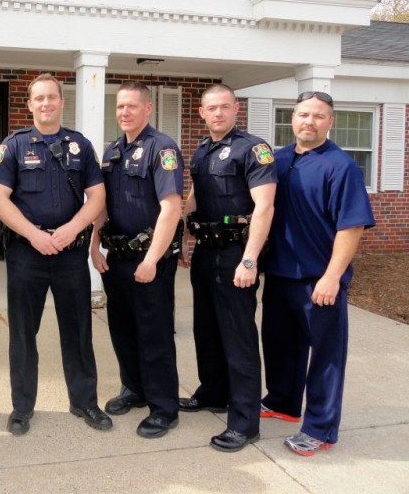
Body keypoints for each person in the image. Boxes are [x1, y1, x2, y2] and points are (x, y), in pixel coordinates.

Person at [0, 73, 111, 436]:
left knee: (78, 331)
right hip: (27, 254)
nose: (45, 103)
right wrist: (32, 235)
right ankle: (22, 407)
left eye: (51, 97)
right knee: (24, 334)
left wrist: (73, 229)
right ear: (29, 105)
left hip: (71, 255)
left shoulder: (80, 145)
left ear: (61, 101)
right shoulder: (13, 146)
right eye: (38, 98)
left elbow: (98, 197)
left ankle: (85, 402)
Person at [261, 91, 374, 457]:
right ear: (292, 118)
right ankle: (283, 401)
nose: (309, 121)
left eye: (318, 116)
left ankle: (321, 428)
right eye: (303, 114)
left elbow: (351, 226)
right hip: (279, 273)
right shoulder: (278, 160)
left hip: (318, 279)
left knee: (325, 356)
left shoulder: (340, 166)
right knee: (279, 345)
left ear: (330, 122)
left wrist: (332, 277)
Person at [179, 83, 276, 452]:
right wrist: (179, 231)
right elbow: (194, 196)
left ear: (236, 108)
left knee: (238, 339)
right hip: (205, 252)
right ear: (202, 113)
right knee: (206, 330)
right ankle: (213, 393)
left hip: (237, 252)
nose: (218, 113)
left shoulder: (253, 149)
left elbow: (264, 207)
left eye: (224, 107)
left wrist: (250, 259)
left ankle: (244, 421)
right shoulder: (202, 151)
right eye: (211, 108)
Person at [89, 82, 183, 438]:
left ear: (148, 109)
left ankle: (164, 407)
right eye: (120, 106)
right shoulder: (112, 151)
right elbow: (102, 205)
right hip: (117, 258)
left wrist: (153, 259)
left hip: (149, 260)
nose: (125, 112)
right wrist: (94, 246)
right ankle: (134, 389)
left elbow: (171, 207)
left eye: (132, 106)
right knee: (123, 330)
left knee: (154, 334)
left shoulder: (163, 149)